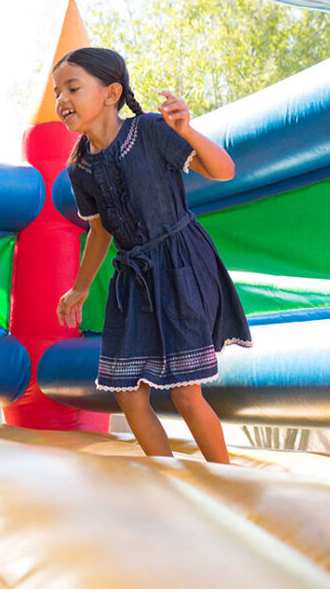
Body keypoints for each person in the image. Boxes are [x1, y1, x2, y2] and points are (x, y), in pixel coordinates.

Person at [53, 48, 251, 464]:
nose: (61, 100)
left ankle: (229, 482)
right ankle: (168, 480)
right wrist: (80, 288)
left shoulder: (149, 131)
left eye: (72, 88)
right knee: (128, 395)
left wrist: (188, 130)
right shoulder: (80, 168)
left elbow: (223, 170)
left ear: (111, 93)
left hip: (180, 265)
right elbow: (100, 230)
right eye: (58, 92)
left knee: (185, 391)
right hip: (134, 280)